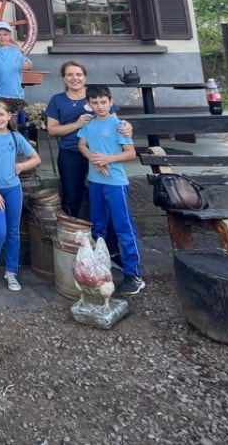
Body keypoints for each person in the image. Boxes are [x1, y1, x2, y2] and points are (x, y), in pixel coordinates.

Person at [78, 84, 145, 296]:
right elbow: (82, 144)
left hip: (115, 182)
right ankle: (101, 269)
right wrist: (94, 159)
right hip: (95, 181)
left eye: (103, 102)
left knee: (123, 227)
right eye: (95, 102)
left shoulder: (119, 125)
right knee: (98, 226)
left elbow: (130, 152)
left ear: (111, 102)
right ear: (89, 104)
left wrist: (108, 159)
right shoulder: (89, 124)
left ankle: (133, 274)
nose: (99, 106)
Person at [44, 61, 133, 219]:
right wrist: (77, 124)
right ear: (64, 79)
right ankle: (72, 231)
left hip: (101, 154)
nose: (75, 78)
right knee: (71, 196)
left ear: (85, 77)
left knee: (103, 197)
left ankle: (103, 232)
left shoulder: (96, 95)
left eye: (79, 74)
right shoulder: (57, 100)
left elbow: (115, 123)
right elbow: (52, 130)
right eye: (70, 75)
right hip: (71, 152)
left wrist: (127, 126)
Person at [0, 99, 40, 295]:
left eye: (2, 114)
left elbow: (36, 158)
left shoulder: (15, 136)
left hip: (13, 188)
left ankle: (11, 271)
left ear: (9, 116)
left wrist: (21, 166)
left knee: (13, 232)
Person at [0, 20, 31, 102]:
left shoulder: (16, 51)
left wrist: (27, 65)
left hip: (16, 95)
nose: (2, 37)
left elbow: (29, 64)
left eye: (5, 34)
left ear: (10, 36)